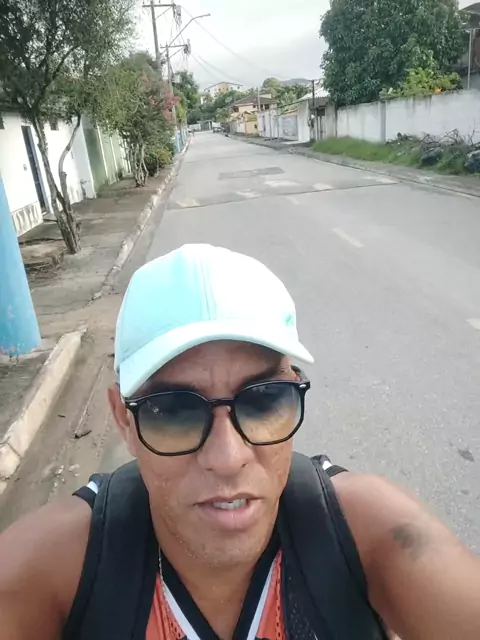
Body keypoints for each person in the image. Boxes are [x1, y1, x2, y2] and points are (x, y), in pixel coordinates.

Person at [0, 243, 479, 640]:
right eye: (174, 411)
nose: (228, 458)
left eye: (264, 399)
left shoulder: (366, 533)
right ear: (123, 421)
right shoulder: (50, 571)